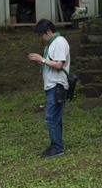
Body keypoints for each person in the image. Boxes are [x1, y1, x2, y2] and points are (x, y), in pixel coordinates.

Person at [27, 18, 71, 158]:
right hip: (51, 85)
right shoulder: (51, 44)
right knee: (55, 117)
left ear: (48, 31)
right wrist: (40, 61)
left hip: (57, 85)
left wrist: (42, 60)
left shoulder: (60, 42)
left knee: (51, 118)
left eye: (42, 35)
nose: (41, 38)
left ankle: (57, 147)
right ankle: (56, 144)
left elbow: (59, 64)